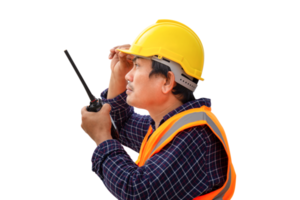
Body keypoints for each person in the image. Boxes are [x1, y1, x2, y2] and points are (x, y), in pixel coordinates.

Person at [80, 18, 238, 199]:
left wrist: (101, 138)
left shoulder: (196, 136)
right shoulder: (169, 126)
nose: (129, 75)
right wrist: (117, 77)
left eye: (137, 65)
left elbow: (137, 193)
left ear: (167, 81)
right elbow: (121, 127)